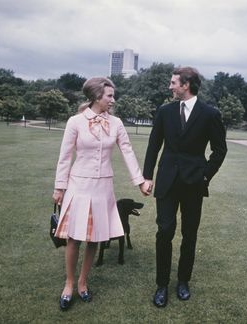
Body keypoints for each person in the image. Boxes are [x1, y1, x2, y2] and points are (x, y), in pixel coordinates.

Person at [52, 77, 148, 310]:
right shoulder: (75, 121)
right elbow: (65, 156)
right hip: (79, 185)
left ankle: (83, 283)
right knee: (74, 237)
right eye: (109, 96)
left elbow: (127, 151)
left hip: (103, 186)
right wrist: (59, 187)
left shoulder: (116, 123)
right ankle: (69, 283)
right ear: (96, 97)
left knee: (95, 237)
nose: (113, 100)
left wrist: (140, 181)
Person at [143, 67, 227, 307]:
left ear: (186, 84)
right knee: (164, 231)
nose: (170, 87)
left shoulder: (210, 114)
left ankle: (183, 281)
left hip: (193, 184)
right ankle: (161, 285)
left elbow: (220, 150)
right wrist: (147, 176)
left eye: (173, 82)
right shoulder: (164, 111)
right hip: (167, 181)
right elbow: (153, 146)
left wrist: (205, 176)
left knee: (189, 234)